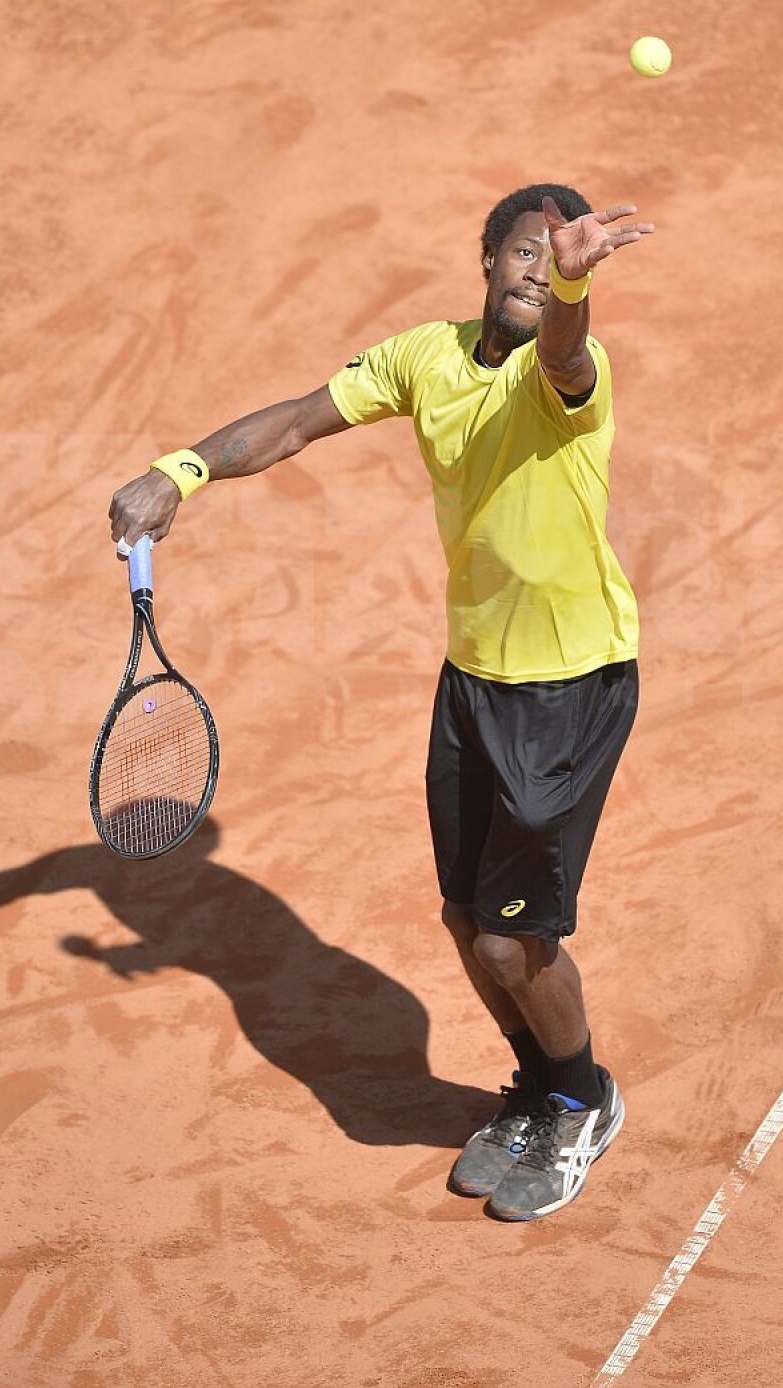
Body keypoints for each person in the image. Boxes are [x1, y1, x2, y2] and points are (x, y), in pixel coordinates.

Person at [108, 184, 654, 1220]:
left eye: (560, 258)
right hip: (473, 680)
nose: (540, 270)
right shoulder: (427, 357)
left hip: (569, 688)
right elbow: (299, 423)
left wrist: (578, 281)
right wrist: (180, 470)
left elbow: (569, 348)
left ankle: (585, 1097)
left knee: (509, 940)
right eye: (527, 252)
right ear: (487, 261)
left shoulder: (568, 374)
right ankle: (540, 1084)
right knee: (463, 915)